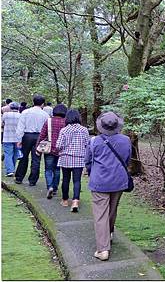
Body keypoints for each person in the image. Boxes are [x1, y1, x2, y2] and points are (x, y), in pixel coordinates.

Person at [85, 112, 131, 261]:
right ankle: (109, 234)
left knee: (100, 214)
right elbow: (127, 158)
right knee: (112, 209)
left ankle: (103, 249)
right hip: (119, 180)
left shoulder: (94, 141)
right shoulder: (126, 140)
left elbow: (88, 161)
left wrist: (92, 173)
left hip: (99, 182)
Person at [56, 109, 90, 212]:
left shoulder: (64, 130)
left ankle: (65, 200)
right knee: (77, 180)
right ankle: (75, 201)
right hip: (79, 158)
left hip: (66, 157)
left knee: (66, 179)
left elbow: (58, 145)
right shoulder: (84, 130)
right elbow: (88, 144)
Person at [35, 104, 67, 199]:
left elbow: (42, 135)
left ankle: (50, 186)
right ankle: (55, 188)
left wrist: (38, 147)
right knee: (57, 170)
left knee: (48, 169)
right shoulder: (66, 122)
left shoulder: (48, 121)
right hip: (61, 149)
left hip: (49, 149)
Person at [15, 95, 48, 185]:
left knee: (23, 157)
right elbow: (47, 129)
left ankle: (19, 178)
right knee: (36, 158)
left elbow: (20, 127)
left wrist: (19, 139)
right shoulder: (45, 114)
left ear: (33, 102)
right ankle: (33, 180)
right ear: (42, 104)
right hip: (40, 137)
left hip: (27, 136)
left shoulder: (26, 112)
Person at [2, 102, 21, 176]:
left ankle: (10, 170)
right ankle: (12, 169)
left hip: (7, 137)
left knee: (8, 154)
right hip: (17, 138)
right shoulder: (21, 115)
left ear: (10, 108)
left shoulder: (5, 115)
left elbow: (2, 124)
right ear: (18, 108)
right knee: (15, 154)